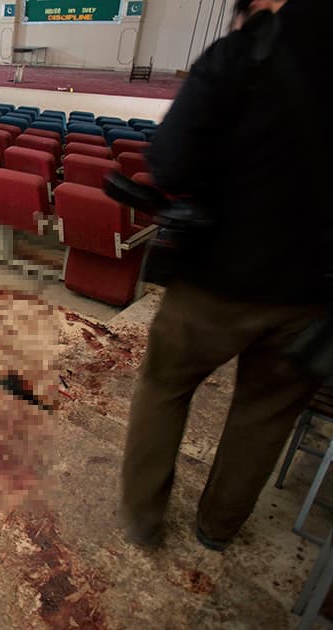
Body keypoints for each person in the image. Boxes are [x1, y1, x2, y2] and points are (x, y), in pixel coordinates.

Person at [119, 0, 327, 552]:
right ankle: (218, 526)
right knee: (263, 417)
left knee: (165, 386)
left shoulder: (246, 52)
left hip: (217, 275)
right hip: (314, 294)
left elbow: (170, 162)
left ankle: (143, 517)